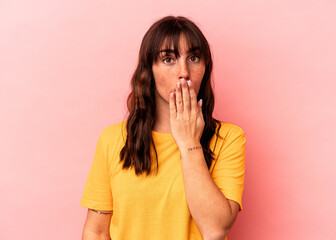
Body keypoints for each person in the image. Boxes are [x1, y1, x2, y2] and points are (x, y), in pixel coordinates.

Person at [80, 15, 246, 240]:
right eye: (168, 59)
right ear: (149, 69)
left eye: (194, 58)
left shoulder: (228, 138)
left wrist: (189, 142)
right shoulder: (112, 139)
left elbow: (215, 229)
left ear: (205, 68)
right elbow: (97, 231)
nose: (184, 72)